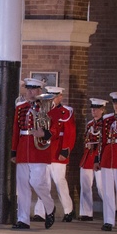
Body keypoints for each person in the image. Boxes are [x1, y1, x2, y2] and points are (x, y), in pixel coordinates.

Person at [11, 78, 57, 230]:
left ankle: (50, 207)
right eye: (28, 89)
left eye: (33, 89)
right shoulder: (20, 107)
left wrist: (44, 133)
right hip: (24, 147)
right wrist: (14, 151)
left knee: (37, 182)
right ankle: (23, 219)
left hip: (39, 149)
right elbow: (16, 129)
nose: (30, 92)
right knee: (22, 186)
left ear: (39, 91)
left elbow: (55, 127)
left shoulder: (47, 106)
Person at [33, 86, 76, 222]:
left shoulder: (66, 112)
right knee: (43, 183)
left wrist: (65, 150)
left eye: (55, 96)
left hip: (58, 152)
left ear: (60, 97)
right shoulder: (43, 111)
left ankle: (68, 211)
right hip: (45, 151)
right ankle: (41, 212)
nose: (52, 99)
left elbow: (70, 133)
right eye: (50, 96)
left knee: (59, 182)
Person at [98, 92, 117, 231]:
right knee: (107, 191)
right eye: (115, 103)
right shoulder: (107, 118)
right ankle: (108, 221)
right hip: (108, 156)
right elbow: (102, 140)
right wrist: (99, 158)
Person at [78, 98, 106, 223]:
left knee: (101, 187)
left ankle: (110, 210)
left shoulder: (105, 123)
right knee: (85, 185)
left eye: (96, 109)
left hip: (99, 156)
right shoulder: (90, 124)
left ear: (102, 110)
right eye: (92, 109)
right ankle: (86, 213)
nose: (94, 111)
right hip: (88, 155)